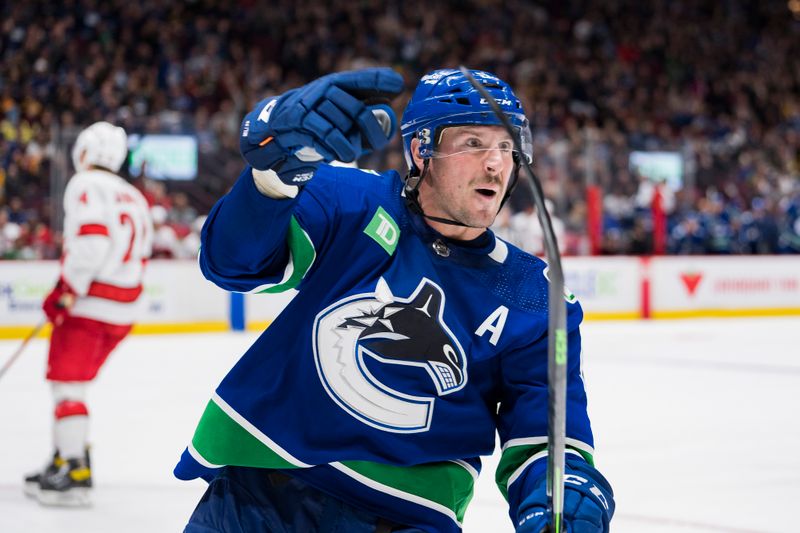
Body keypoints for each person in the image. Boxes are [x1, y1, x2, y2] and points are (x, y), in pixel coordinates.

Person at [176, 68, 614, 532]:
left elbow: (545, 436)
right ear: (421, 150)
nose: (495, 164)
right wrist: (269, 179)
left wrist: (563, 496)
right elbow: (233, 262)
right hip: (258, 496)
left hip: (402, 520)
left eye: (506, 146)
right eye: (472, 143)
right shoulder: (351, 201)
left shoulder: (534, 296)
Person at [24, 121, 153, 507]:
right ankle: (65, 455)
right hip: (124, 307)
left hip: (89, 305)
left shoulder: (85, 184)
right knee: (72, 386)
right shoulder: (134, 195)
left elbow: (92, 243)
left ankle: (75, 471)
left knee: (66, 386)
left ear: (83, 152)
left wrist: (67, 291)